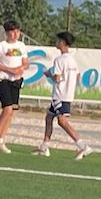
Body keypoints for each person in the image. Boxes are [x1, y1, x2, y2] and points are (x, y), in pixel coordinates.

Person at [41, 31, 91, 160]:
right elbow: (78, 75)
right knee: (49, 117)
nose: (56, 42)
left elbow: (57, 78)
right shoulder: (72, 60)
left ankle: (82, 145)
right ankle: (44, 146)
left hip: (60, 94)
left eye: (58, 40)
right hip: (67, 94)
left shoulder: (59, 60)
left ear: (62, 43)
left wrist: (49, 75)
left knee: (62, 121)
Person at [0, 19, 30, 152]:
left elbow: (25, 62)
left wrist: (21, 68)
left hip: (16, 80)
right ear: (7, 32)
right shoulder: (1, 46)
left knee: (11, 111)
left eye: (17, 31)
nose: (16, 34)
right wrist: (9, 70)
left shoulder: (21, 46)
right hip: (3, 79)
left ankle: (2, 140)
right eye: (13, 31)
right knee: (7, 109)